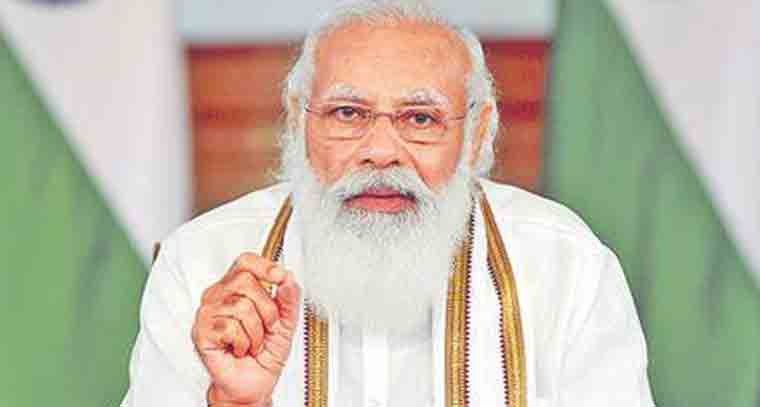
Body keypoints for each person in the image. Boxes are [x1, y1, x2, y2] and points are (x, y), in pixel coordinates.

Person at [121, 1, 654, 406]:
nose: (380, 152)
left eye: (420, 119)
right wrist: (232, 404)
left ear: (477, 133)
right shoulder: (201, 263)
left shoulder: (567, 267)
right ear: (299, 119)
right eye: (348, 114)